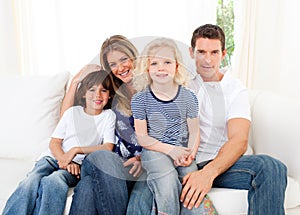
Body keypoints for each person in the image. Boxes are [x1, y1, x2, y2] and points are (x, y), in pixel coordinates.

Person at [127, 24, 288, 215]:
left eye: (214, 52)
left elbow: (239, 140)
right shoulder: (177, 79)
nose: (207, 60)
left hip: (215, 163)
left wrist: (207, 173)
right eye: (201, 52)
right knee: (140, 200)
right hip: (173, 159)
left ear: (223, 53)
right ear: (191, 52)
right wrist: (144, 155)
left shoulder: (234, 89)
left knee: (271, 167)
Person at [3, 69, 116, 215]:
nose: (98, 95)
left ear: (110, 95)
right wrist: (64, 159)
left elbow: (107, 147)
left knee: (54, 181)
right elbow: (54, 142)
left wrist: (75, 150)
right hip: (52, 158)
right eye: (92, 90)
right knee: (30, 181)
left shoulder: (108, 116)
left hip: (76, 166)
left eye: (104, 90)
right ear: (83, 93)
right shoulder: (72, 113)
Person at [67, 35, 144, 215]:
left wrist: (144, 159)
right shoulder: (109, 91)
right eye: (113, 64)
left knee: (87, 187)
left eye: (124, 59)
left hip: (133, 170)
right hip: (102, 162)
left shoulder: (155, 87)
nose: (121, 68)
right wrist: (75, 82)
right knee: (104, 156)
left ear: (134, 57)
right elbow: (68, 118)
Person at [131, 37, 200, 215]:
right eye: (154, 63)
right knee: (167, 178)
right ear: (147, 68)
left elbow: (194, 131)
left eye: (167, 62)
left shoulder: (188, 97)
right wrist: (171, 151)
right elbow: (143, 137)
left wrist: (189, 154)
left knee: (191, 182)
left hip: (182, 151)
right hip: (154, 150)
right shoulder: (140, 99)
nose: (161, 68)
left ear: (177, 66)